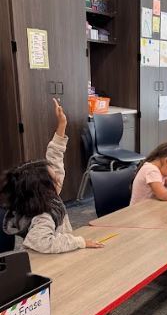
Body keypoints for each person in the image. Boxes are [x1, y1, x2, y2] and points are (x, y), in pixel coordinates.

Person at [0, 99, 103, 253]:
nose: (58, 175)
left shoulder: (44, 197)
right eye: (53, 177)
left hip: (59, 252)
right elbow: (42, 243)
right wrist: (79, 242)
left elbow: (55, 157)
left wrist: (62, 125)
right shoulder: (44, 215)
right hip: (47, 262)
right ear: (45, 188)